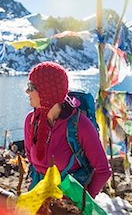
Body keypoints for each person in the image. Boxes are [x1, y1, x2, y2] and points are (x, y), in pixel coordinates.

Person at [23, 61, 111, 198]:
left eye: (31, 87)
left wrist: (82, 201)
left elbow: (103, 170)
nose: (27, 91)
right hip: (37, 196)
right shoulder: (31, 121)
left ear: (47, 91)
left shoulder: (80, 125)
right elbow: (30, 157)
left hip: (68, 202)